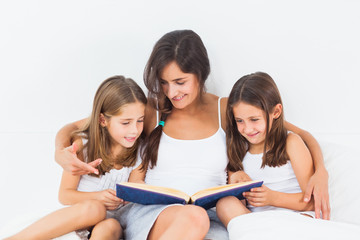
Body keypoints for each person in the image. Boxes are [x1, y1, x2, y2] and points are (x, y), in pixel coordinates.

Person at [54, 30, 329, 239]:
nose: (172, 92)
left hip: (212, 215)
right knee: (194, 218)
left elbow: (296, 133)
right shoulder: (154, 112)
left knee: (206, 222)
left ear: (200, 74)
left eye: (180, 82)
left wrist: (321, 172)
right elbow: (78, 126)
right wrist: (59, 151)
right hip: (153, 214)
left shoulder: (225, 108)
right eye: (164, 83)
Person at [6, 76, 147, 240]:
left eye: (140, 121)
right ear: (103, 120)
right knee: (96, 209)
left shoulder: (140, 153)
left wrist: (132, 193)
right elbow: (64, 195)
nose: (134, 130)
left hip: (110, 224)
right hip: (82, 216)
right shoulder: (83, 146)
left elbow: (136, 188)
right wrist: (99, 197)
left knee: (111, 225)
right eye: (125, 123)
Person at [216, 72, 315, 229]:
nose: (248, 129)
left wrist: (273, 198)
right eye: (239, 121)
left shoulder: (291, 142)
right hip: (257, 223)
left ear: (276, 112)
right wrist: (236, 180)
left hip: (294, 218)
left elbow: (312, 202)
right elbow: (242, 205)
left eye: (254, 119)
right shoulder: (238, 150)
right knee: (225, 204)